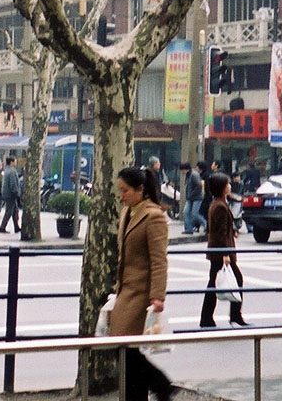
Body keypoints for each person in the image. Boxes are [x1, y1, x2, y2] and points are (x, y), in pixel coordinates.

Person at [110, 166, 174, 401]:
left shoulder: (153, 216)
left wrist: (157, 296)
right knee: (125, 351)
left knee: (127, 351)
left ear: (140, 189)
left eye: (125, 190)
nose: (121, 195)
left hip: (141, 295)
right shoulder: (129, 212)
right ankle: (152, 388)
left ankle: (160, 384)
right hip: (125, 291)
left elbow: (159, 260)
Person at [200, 172, 248, 328]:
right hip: (221, 251)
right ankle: (234, 315)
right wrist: (225, 254)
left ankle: (207, 318)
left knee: (213, 284)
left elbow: (220, 228)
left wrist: (232, 230)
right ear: (221, 187)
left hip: (217, 251)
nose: (230, 186)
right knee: (236, 280)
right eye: (227, 184)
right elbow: (220, 233)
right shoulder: (220, 205)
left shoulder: (218, 203)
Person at [179, 162, 206, 234]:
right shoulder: (188, 175)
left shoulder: (194, 175)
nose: (182, 172)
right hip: (190, 198)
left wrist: (192, 194)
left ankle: (206, 225)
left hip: (197, 197)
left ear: (186, 169)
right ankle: (188, 229)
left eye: (182, 170)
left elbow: (198, 186)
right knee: (185, 212)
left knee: (195, 214)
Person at [0, 156, 21, 234]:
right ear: (11, 162)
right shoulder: (12, 171)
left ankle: (16, 227)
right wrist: (16, 193)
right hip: (11, 195)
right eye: (15, 161)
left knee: (15, 211)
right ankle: (2, 227)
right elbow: (13, 184)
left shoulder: (7, 170)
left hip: (7, 194)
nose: (16, 162)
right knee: (9, 211)